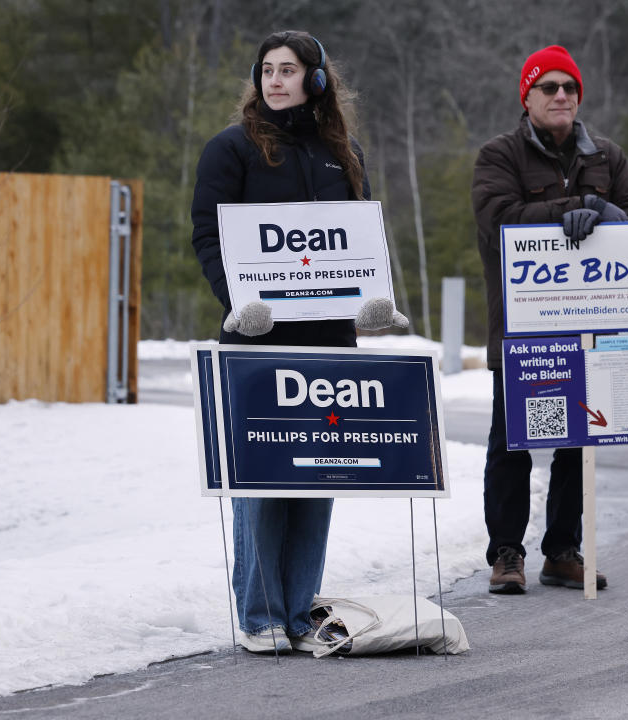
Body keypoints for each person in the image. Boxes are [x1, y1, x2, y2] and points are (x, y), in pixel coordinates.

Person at [190, 30, 370, 653]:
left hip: (328, 348)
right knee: (263, 482)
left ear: (316, 81)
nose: (274, 80)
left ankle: (299, 614)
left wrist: (367, 305)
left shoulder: (340, 152)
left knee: (316, 481)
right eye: (266, 70)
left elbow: (358, 241)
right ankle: (260, 615)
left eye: (287, 70)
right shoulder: (231, 149)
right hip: (257, 344)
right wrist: (238, 303)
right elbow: (207, 237)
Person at [471, 45, 628, 595]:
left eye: (569, 87)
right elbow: (498, 219)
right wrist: (567, 209)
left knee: (579, 439)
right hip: (526, 330)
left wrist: (607, 212)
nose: (561, 96)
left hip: (590, 327)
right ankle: (506, 552)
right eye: (548, 87)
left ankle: (563, 550)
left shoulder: (608, 157)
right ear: (527, 97)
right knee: (515, 443)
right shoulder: (498, 155)